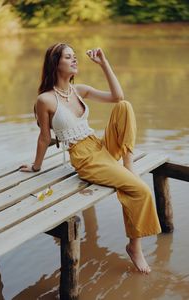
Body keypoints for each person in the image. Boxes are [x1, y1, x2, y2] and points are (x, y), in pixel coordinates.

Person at [19, 42, 161, 274]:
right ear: (56, 63)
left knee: (125, 106)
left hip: (100, 145)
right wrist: (36, 167)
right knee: (141, 190)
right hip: (84, 158)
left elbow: (117, 96)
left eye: (75, 56)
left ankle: (128, 164)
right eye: (68, 57)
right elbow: (44, 138)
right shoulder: (45, 100)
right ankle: (134, 247)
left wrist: (103, 64)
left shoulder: (78, 90)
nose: (75, 60)